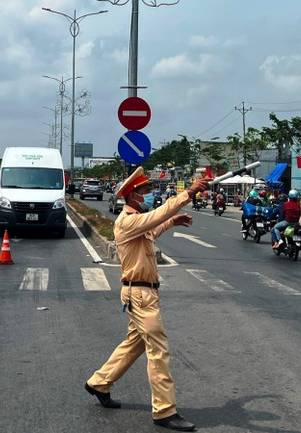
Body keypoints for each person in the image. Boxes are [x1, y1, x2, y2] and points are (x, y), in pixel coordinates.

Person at [84, 166, 210, 432]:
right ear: (133, 196)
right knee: (159, 350)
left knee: (135, 344)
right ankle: (164, 410)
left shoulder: (136, 221)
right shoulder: (127, 222)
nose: (150, 195)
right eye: (146, 191)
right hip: (140, 294)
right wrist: (186, 194)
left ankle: (99, 382)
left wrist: (172, 222)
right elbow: (153, 218)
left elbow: (152, 228)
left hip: (142, 292)